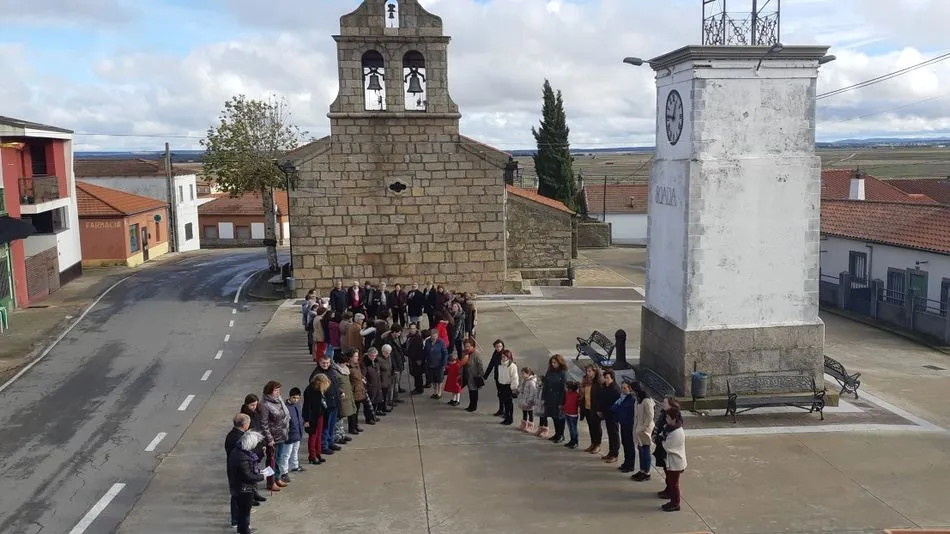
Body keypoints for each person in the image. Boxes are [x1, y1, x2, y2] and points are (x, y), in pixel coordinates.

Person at [227, 430, 266, 534]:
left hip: (239, 487)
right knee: (245, 512)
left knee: (242, 512)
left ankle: (242, 529)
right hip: (244, 489)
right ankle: (245, 530)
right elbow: (248, 476)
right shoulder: (243, 457)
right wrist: (262, 476)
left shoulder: (237, 452)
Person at [259, 381, 290, 491]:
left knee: (279, 458)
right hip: (273, 437)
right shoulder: (265, 404)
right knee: (271, 460)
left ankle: (277, 478)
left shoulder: (279, 400)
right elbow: (264, 424)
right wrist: (269, 439)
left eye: (279, 390)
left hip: (281, 434)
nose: (278, 392)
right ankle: (270, 482)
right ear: (269, 391)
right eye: (276, 390)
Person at [309, 354, 343, 455]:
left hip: (334, 402)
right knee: (325, 426)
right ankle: (324, 446)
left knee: (332, 425)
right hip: (326, 405)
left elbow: (335, 384)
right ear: (319, 363)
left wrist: (340, 392)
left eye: (327, 363)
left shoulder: (331, 371)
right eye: (323, 363)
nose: (325, 365)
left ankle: (330, 442)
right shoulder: (317, 374)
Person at [225, 413, 251, 528]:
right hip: (239, 470)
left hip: (233, 468)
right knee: (239, 496)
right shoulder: (239, 438)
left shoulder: (231, 435)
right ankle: (238, 521)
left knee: (236, 494)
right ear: (244, 424)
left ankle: (236, 519)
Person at [661, 406, 686, 512]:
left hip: (676, 462)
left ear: (674, 419)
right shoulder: (670, 428)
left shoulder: (677, 432)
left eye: (668, 418)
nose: (666, 419)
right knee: (671, 482)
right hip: (672, 461)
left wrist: (662, 440)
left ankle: (676, 503)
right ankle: (672, 501)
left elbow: (668, 447)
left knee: (674, 483)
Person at [278, 387, 305, 482]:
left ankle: (295, 465)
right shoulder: (285, 407)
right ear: (290, 397)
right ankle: (284, 472)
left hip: (297, 433)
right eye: (294, 398)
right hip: (289, 435)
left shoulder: (297, 405)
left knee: (295, 450)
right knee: (286, 454)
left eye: (297, 398)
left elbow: (299, 417)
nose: (296, 400)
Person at [632, 381, 656, 482]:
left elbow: (650, 415)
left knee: (645, 450)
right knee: (640, 450)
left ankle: (647, 472)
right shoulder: (638, 399)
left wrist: (644, 427)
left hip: (645, 430)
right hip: (639, 428)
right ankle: (642, 470)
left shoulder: (646, 400)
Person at [302, 374, 329, 465]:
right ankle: (312, 456)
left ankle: (318, 453)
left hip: (320, 415)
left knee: (319, 435)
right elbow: (307, 406)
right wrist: (306, 419)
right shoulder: (310, 390)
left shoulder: (319, 390)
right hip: (312, 417)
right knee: (313, 436)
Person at [612, 380, 637, 474]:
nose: (622, 390)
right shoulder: (622, 398)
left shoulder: (632, 399)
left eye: (625, 388)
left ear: (629, 389)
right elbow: (615, 408)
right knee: (625, 444)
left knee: (629, 445)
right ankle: (626, 462)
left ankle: (630, 465)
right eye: (622, 388)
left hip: (629, 425)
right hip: (623, 424)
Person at [542, 354, 568, 443]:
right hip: (550, 397)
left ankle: (561, 435)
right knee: (553, 416)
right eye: (552, 362)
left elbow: (563, 388)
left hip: (558, 398)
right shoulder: (549, 371)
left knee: (560, 417)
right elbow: (545, 385)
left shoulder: (563, 372)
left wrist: (561, 402)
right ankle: (557, 434)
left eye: (555, 362)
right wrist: (543, 397)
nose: (553, 364)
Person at [580, 364, 604, 454]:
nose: (588, 373)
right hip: (587, 407)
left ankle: (598, 444)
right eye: (587, 371)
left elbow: (601, 397)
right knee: (591, 427)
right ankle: (593, 443)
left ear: (595, 371)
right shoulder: (585, 381)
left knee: (596, 427)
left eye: (590, 371)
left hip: (595, 408)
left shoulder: (598, 382)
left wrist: (600, 409)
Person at [598, 370, 622, 463]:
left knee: (614, 435)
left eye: (608, 378)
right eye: (605, 378)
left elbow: (617, 404)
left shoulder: (615, 389)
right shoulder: (604, 387)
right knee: (610, 434)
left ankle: (615, 454)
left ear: (612, 378)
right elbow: (601, 399)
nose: (606, 380)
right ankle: (610, 452)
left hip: (613, 415)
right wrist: (600, 410)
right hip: (606, 414)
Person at [459, 338, 484, 412]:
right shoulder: (464, 352)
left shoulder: (476, 354)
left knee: (473, 391)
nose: (467, 348)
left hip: (474, 376)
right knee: (470, 391)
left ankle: (473, 406)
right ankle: (471, 405)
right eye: (465, 346)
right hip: (466, 374)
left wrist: (480, 375)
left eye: (468, 346)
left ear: (472, 346)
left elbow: (480, 365)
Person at [483, 339, 506, 416]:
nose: (498, 348)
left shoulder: (505, 355)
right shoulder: (495, 353)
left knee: (504, 394)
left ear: (502, 346)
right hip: (497, 377)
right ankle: (501, 409)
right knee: (500, 394)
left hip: (504, 378)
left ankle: (505, 411)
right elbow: (491, 364)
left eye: (500, 346)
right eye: (497, 347)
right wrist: (485, 376)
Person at [423, 328, 449, 399]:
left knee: (439, 379)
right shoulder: (427, 342)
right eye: (432, 336)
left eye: (435, 336)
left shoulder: (441, 342)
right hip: (430, 363)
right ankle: (435, 392)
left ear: (437, 336)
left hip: (439, 364)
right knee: (433, 379)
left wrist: (444, 364)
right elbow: (425, 351)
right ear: (430, 336)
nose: (434, 337)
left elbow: (445, 353)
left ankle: (439, 392)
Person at [497, 349, 520, 425]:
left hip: (509, 386)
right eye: (502, 357)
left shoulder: (512, 366)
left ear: (508, 357)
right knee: (505, 403)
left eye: (504, 357)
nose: (503, 358)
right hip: (502, 385)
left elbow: (515, 378)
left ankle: (510, 419)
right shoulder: (500, 365)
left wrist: (514, 388)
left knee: (509, 403)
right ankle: (506, 417)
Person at [405, 323, 426, 394]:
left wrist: (404, 352)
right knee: (415, 374)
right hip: (413, 359)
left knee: (418, 375)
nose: (412, 330)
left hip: (417, 359)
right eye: (411, 328)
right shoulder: (409, 337)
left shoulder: (418, 338)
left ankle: (419, 389)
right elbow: (406, 345)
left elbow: (416, 350)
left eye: (413, 328)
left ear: (416, 329)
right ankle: (417, 387)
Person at [562, 380, 581, 448]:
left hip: (573, 414)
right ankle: (572, 440)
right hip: (567, 413)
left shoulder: (576, 395)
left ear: (570, 388)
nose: (565, 388)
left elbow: (571, 404)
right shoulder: (567, 394)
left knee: (574, 429)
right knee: (570, 428)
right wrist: (563, 408)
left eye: (566, 387)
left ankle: (575, 441)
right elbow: (567, 403)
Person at [518, 367, 538, 432]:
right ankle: (524, 424)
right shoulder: (524, 380)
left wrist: (530, 401)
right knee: (524, 412)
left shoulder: (531, 382)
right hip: (524, 399)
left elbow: (533, 392)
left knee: (530, 413)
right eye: (522, 373)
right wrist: (518, 390)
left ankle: (530, 425)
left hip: (529, 401)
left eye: (523, 373)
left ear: (528, 374)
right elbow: (521, 388)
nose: (522, 375)